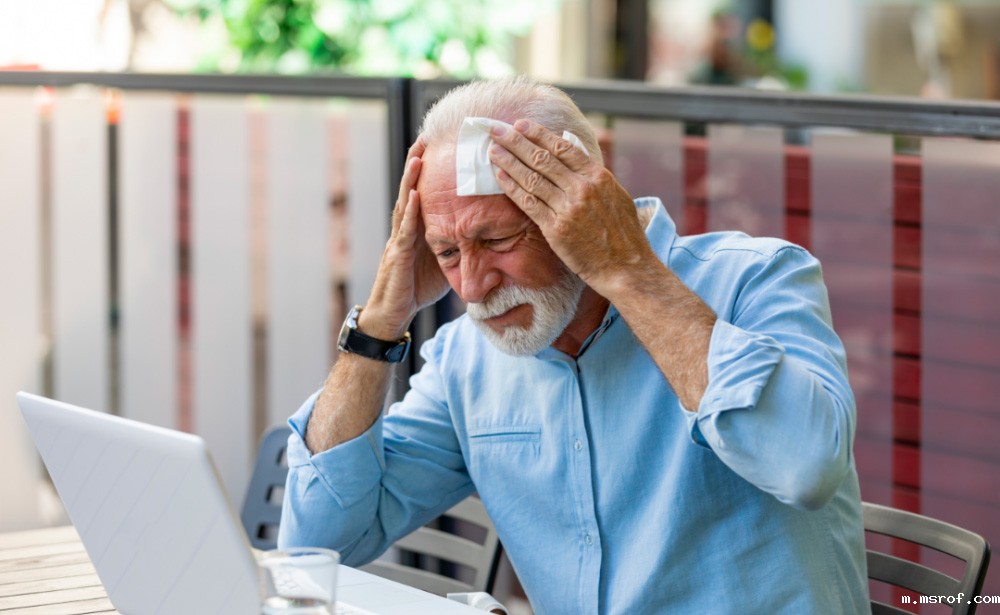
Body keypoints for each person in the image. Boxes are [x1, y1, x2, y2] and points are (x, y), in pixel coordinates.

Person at [278, 76, 870, 613]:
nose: (472, 286)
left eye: (499, 238)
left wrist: (626, 271)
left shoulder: (755, 278)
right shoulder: (468, 359)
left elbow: (807, 466)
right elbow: (314, 545)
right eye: (448, 252)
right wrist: (381, 321)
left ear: (578, 201)